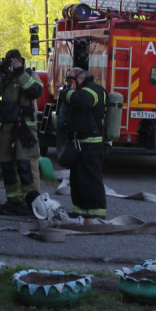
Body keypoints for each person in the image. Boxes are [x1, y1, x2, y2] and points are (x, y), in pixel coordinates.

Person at [0, 49, 44, 215]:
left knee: (26, 165)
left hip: (25, 128)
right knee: (7, 165)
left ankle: (33, 204)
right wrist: (1, 72)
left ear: (21, 62)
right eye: (9, 61)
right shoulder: (5, 76)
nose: (12, 64)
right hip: (7, 127)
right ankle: (14, 201)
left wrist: (20, 73)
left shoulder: (30, 75)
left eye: (15, 62)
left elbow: (36, 92)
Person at [58, 67, 107, 220]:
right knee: (78, 180)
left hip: (91, 144)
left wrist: (66, 93)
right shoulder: (81, 90)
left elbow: (83, 99)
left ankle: (97, 214)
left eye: (71, 80)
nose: (69, 85)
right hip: (78, 143)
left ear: (80, 77)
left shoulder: (93, 90)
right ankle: (81, 211)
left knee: (91, 180)